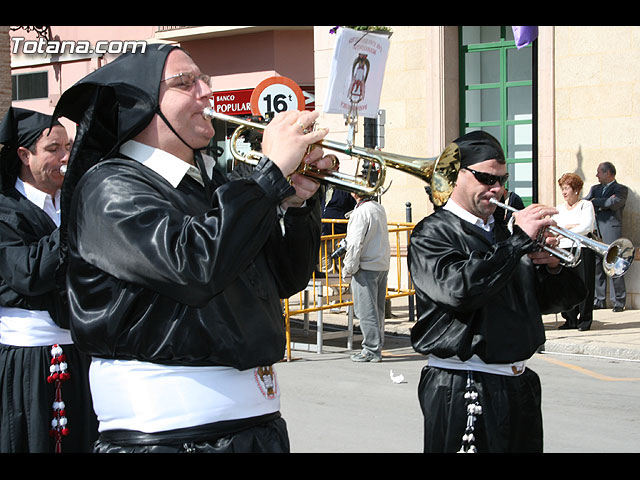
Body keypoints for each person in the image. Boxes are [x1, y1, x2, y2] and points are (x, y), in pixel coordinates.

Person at [51, 44, 335, 453]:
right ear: (143, 102)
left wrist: (297, 205)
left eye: (206, 81)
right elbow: (195, 267)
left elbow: (284, 278)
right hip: (170, 441)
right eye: (186, 83)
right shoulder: (109, 187)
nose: (206, 93)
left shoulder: (212, 185)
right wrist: (268, 176)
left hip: (256, 429)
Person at [408, 130, 586, 453]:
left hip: (519, 386)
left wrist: (552, 267)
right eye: (487, 179)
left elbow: (552, 301)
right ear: (457, 176)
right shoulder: (431, 233)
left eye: (502, 180)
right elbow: (460, 290)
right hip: (464, 386)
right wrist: (516, 244)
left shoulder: (504, 234)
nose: (498, 189)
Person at [0, 107, 98, 452]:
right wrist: (74, 212)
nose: (65, 157)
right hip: (29, 359)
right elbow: (28, 274)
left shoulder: (68, 203)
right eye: (54, 148)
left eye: (68, 147)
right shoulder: (4, 209)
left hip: (81, 348)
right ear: (25, 156)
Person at [341, 189, 390, 362]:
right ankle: (377, 344)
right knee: (377, 310)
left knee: (366, 311)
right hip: (381, 264)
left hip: (366, 266)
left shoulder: (360, 212)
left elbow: (354, 244)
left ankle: (371, 349)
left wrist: (348, 269)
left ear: (355, 194)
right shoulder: (378, 208)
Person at [552, 173, 597, 331]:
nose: (564, 192)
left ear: (576, 189)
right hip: (563, 248)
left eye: (567, 188)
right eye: (562, 189)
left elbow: (586, 227)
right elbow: (555, 229)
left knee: (584, 284)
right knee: (565, 285)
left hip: (582, 249)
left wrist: (566, 229)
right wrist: (567, 228)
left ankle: (584, 320)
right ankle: (570, 319)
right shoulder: (559, 209)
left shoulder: (586, 205)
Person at [584, 162, 628, 312]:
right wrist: (601, 204)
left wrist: (596, 202)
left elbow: (613, 203)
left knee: (614, 264)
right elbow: (584, 202)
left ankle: (619, 301)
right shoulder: (594, 189)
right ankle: (599, 299)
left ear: (608, 173)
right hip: (596, 232)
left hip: (611, 231)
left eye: (599, 172)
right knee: (597, 266)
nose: (596, 175)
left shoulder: (621, 189)